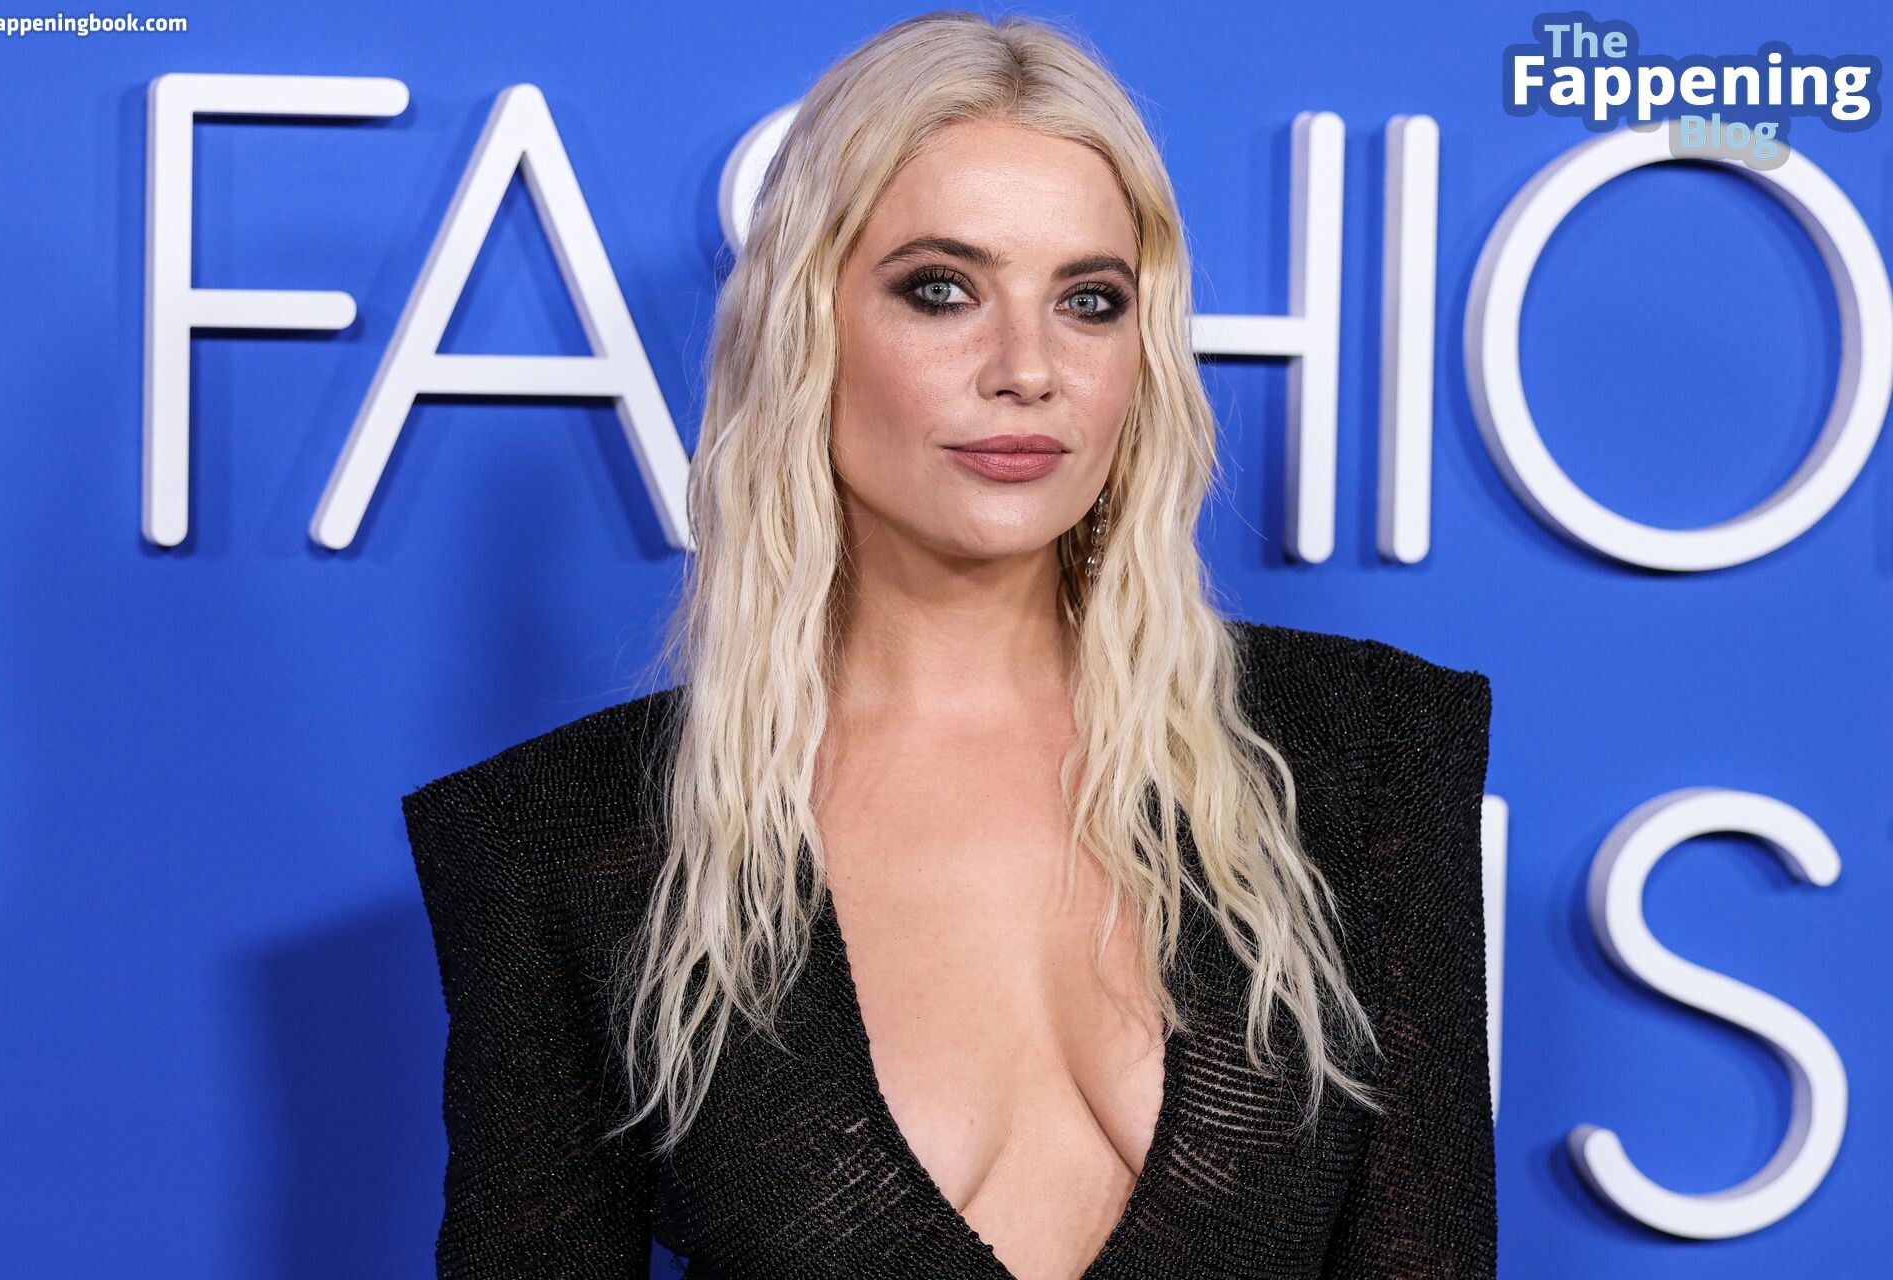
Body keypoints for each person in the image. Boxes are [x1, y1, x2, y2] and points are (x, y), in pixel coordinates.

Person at [401, 10, 1497, 1278]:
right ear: (807, 328)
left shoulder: (1362, 751)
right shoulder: (570, 837)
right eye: (941, 289)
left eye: (1089, 301)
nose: (1027, 368)